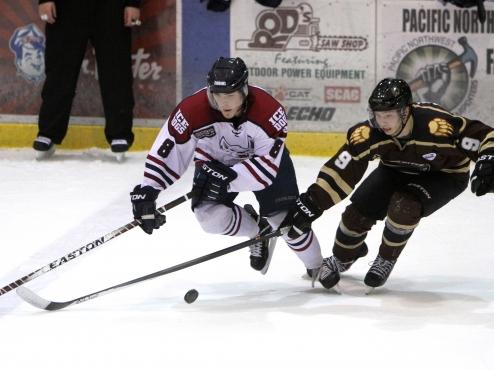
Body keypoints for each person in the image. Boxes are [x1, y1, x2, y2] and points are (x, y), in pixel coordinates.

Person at [283, 78, 494, 291]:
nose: (383, 122)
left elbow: (486, 136)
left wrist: (489, 162)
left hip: (443, 175)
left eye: (389, 115)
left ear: (405, 112)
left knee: (404, 206)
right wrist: (313, 202)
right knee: (355, 215)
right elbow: (342, 170)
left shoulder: (437, 126)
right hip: (395, 171)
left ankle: (386, 258)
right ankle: (342, 258)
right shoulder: (368, 135)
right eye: (378, 115)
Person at [130, 57, 323, 276]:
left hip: (262, 163)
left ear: (244, 90)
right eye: (218, 95)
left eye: (230, 95)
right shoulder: (192, 110)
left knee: (286, 221)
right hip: (215, 161)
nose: (224, 103)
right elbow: (170, 148)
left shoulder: (268, 111)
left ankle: (317, 266)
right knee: (209, 218)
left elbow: (267, 169)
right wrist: (148, 189)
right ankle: (257, 230)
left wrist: (228, 181)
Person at [33, 0, 141, 160]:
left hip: (112, 7)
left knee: (116, 70)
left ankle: (120, 133)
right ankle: (48, 132)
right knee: (59, 70)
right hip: (66, 8)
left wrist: (132, 2)